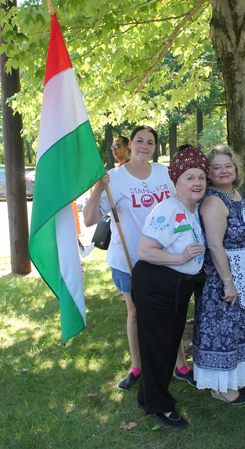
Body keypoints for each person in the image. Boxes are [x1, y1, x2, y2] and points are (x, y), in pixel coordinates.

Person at [83, 126, 176, 390]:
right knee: (135, 313)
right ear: (130, 145)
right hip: (127, 259)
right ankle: (137, 367)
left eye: (150, 142)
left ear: (155, 147)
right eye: (139, 140)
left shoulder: (164, 173)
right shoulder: (113, 178)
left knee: (169, 311)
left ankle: (179, 365)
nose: (144, 146)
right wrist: (98, 189)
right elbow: (89, 220)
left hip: (163, 256)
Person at [133, 146, 210, 429]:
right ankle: (160, 406)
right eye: (190, 177)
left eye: (201, 177)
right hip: (157, 282)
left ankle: (147, 396)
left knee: (164, 343)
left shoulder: (192, 208)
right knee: (158, 346)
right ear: (176, 181)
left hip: (176, 284)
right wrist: (179, 258)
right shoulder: (167, 208)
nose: (197, 183)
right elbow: (144, 251)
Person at [193, 145, 245, 404]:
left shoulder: (236, 195)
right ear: (208, 173)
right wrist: (228, 284)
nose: (223, 171)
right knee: (222, 331)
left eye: (228, 165)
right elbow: (215, 245)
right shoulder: (213, 201)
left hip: (243, 274)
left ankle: (236, 380)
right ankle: (221, 387)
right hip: (222, 281)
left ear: (236, 169)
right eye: (216, 167)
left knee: (237, 330)